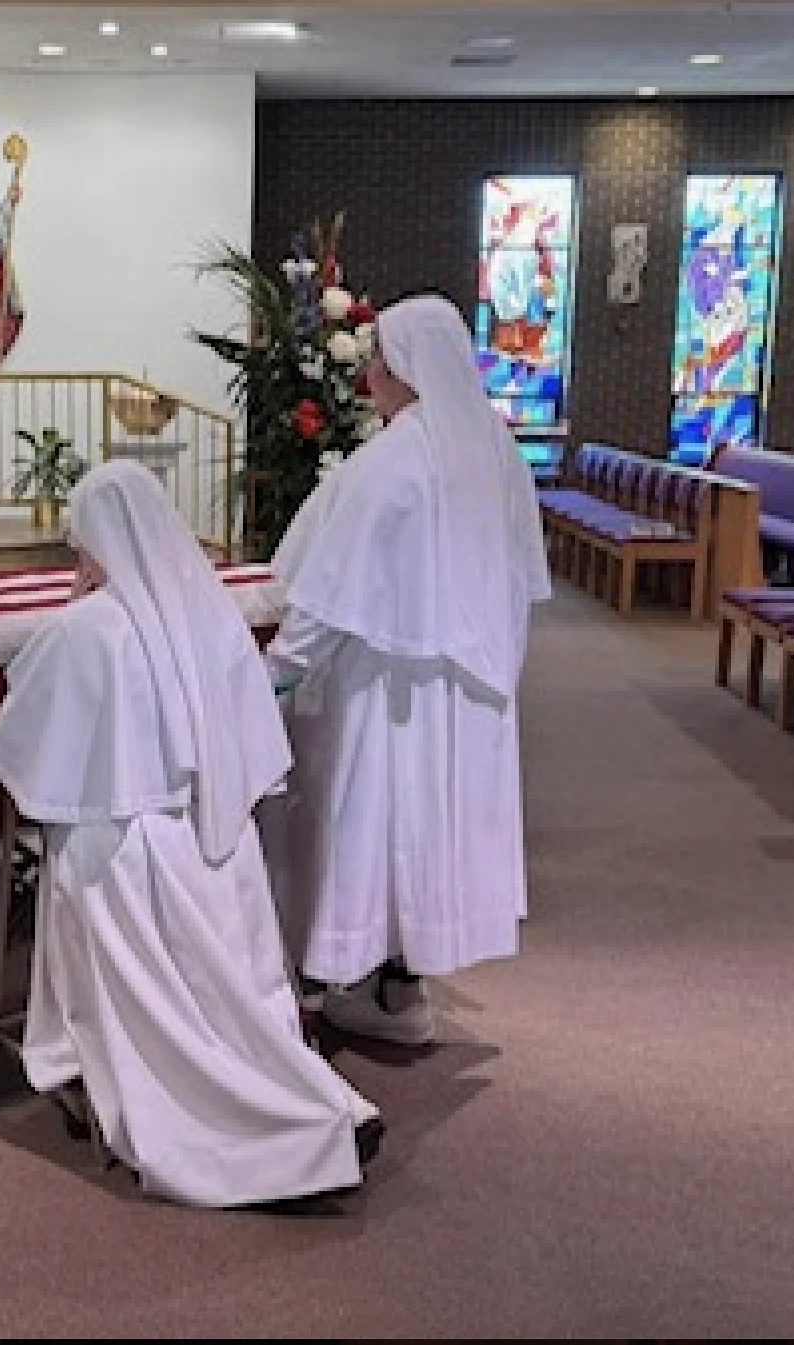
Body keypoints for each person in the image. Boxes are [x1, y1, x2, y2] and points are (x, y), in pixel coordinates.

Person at [0, 459, 382, 1209]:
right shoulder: (211, 613)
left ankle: (278, 1135)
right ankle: (309, 1108)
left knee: (161, 1016)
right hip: (217, 845)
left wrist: (76, 601)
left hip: (124, 856)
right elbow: (253, 739)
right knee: (231, 1001)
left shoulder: (83, 630)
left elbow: (25, 746)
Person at [263, 293, 553, 1047]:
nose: (369, 380)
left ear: (411, 369)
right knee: (433, 835)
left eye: (380, 363)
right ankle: (400, 982)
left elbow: (329, 595)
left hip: (389, 691)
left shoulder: (394, 461)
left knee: (371, 827)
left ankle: (348, 979)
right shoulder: (498, 449)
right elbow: (521, 580)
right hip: (472, 689)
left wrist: (274, 675)